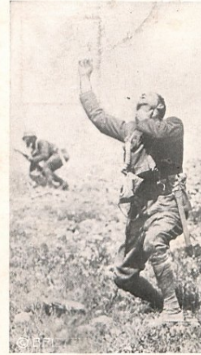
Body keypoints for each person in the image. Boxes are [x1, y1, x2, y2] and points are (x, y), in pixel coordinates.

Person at [78, 58, 190, 323]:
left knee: (154, 242)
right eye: (139, 99)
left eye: (147, 98)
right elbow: (98, 116)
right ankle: (161, 303)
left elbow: (157, 131)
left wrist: (138, 121)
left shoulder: (172, 125)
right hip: (141, 205)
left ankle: (173, 311)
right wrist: (85, 78)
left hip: (168, 201)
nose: (140, 96)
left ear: (159, 107)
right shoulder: (132, 129)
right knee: (124, 275)